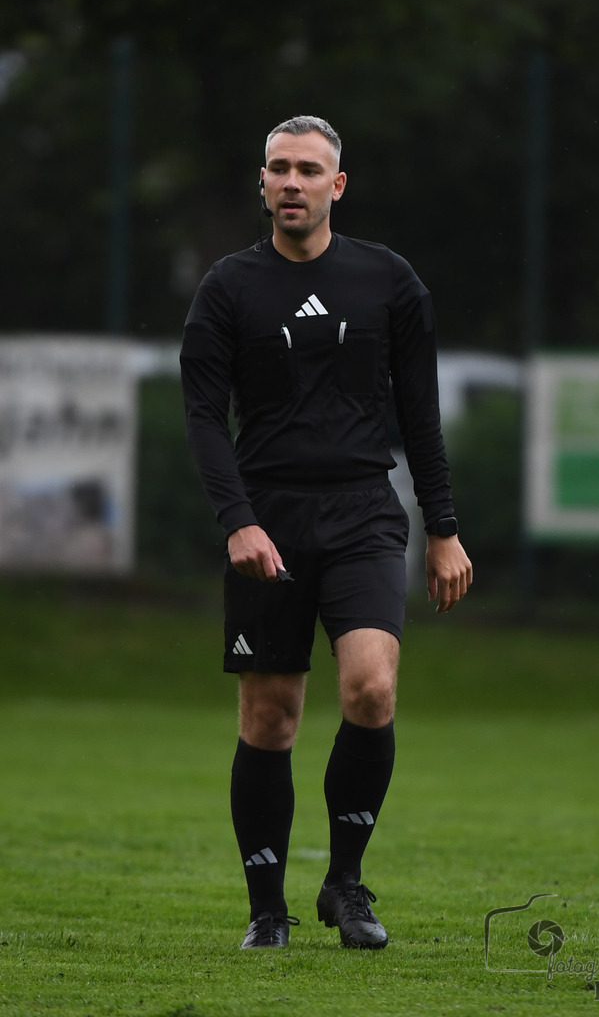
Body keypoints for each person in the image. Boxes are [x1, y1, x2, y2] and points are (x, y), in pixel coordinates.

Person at [180, 115, 472, 951]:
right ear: (262, 184)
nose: (292, 182)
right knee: (270, 717)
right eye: (279, 169)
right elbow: (202, 417)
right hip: (266, 520)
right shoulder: (227, 289)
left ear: (336, 185)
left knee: (371, 689)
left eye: (309, 169)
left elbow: (421, 416)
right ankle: (265, 910)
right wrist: (236, 520)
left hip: (362, 514)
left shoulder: (389, 282)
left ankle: (345, 885)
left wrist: (443, 530)